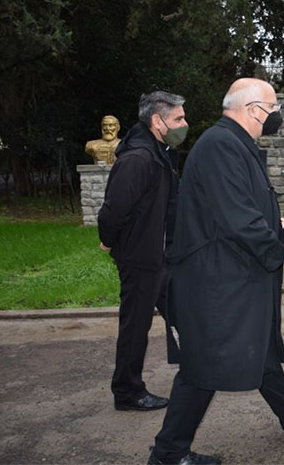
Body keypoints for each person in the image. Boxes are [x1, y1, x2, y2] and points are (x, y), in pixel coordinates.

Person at [148, 78, 284, 465]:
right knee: (202, 367)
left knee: (261, 350)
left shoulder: (232, 143)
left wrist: (278, 221)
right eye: (273, 108)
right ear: (254, 110)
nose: (276, 116)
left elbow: (233, 205)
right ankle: (168, 454)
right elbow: (238, 217)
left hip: (230, 274)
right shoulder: (222, 145)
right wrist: (279, 251)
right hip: (217, 281)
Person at [97, 91, 188, 410]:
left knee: (184, 310)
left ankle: (203, 364)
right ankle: (127, 392)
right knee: (136, 326)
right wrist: (108, 239)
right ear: (157, 121)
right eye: (178, 119)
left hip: (160, 256)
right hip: (140, 259)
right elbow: (113, 210)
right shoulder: (139, 159)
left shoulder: (159, 152)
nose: (184, 124)